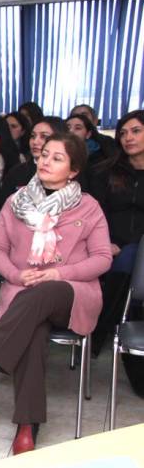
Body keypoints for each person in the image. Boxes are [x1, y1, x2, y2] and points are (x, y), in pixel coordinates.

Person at [0, 132, 112, 455]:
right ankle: (27, 426)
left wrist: (58, 273)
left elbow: (102, 259)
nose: (45, 161)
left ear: (74, 170)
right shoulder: (16, 202)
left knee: (45, 292)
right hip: (21, 291)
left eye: (57, 158)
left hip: (72, 293)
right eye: (43, 155)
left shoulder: (89, 207)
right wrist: (14, 273)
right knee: (32, 327)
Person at [89, 110, 144, 357]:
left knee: (130, 259)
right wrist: (107, 242)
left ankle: (100, 334)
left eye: (136, 131)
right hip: (108, 242)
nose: (127, 138)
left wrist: (129, 244)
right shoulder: (106, 171)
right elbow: (95, 213)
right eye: (123, 133)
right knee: (123, 262)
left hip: (139, 247)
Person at [1, 117, 68, 205]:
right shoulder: (17, 172)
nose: (35, 142)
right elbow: (3, 209)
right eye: (33, 136)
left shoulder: (69, 171)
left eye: (44, 136)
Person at [66, 113, 114, 182]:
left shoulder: (99, 158)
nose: (71, 131)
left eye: (78, 128)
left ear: (88, 134)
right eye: (67, 128)